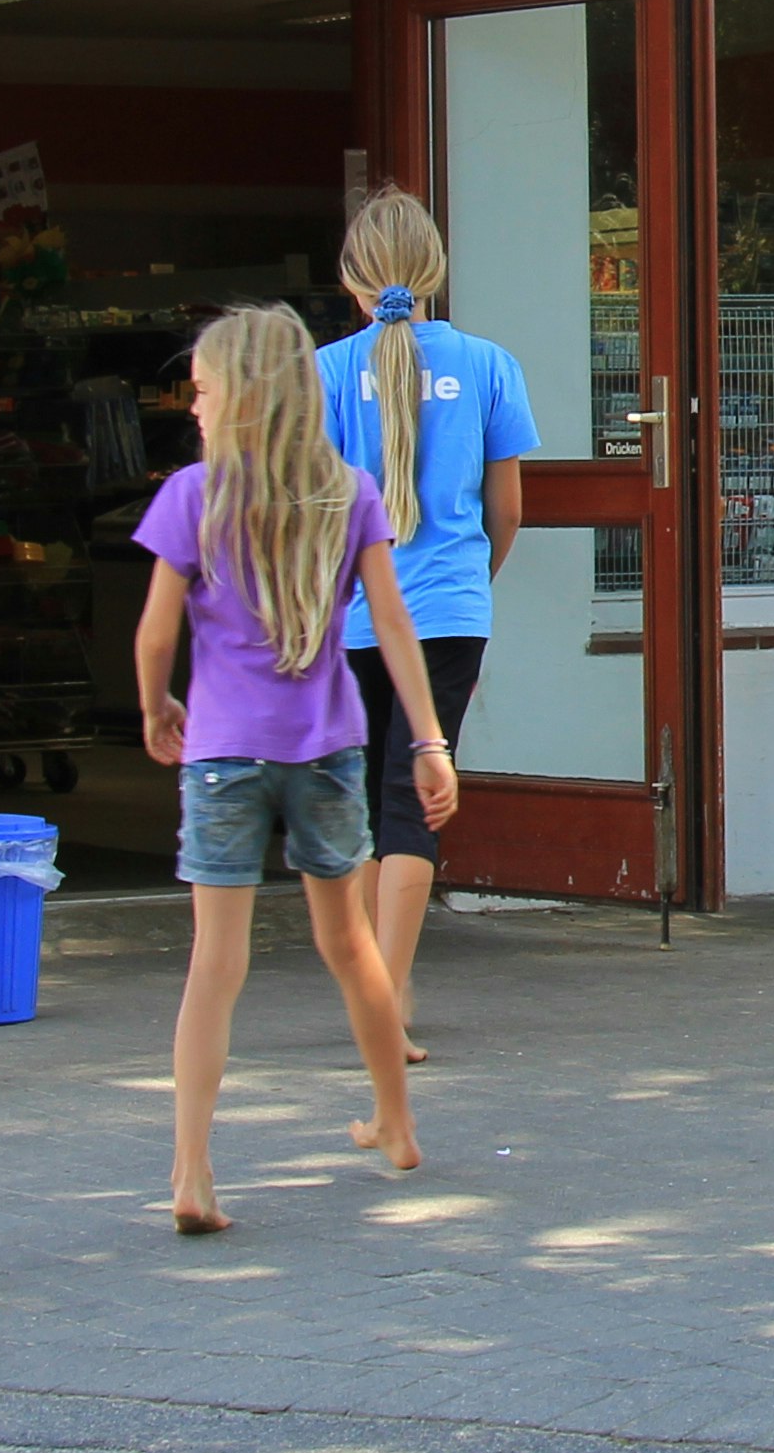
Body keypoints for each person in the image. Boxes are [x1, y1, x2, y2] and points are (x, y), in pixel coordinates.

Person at [137, 303, 463, 1227]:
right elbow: (393, 625)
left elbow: (157, 630)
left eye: (200, 391)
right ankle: (394, 1122)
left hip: (221, 758)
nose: (192, 407)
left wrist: (158, 702)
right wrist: (431, 739)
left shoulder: (193, 496)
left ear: (239, 395)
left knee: (216, 963)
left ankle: (193, 1171)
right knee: (350, 945)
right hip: (325, 752)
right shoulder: (349, 490)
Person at [317, 190, 538, 1062]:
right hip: (448, 612)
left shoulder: (329, 370)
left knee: (363, 800)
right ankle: (392, 987)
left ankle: (369, 987)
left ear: (350, 278)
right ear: (436, 273)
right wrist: (467, 588)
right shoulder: (489, 364)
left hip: (354, 616)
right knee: (415, 797)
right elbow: (509, 509)